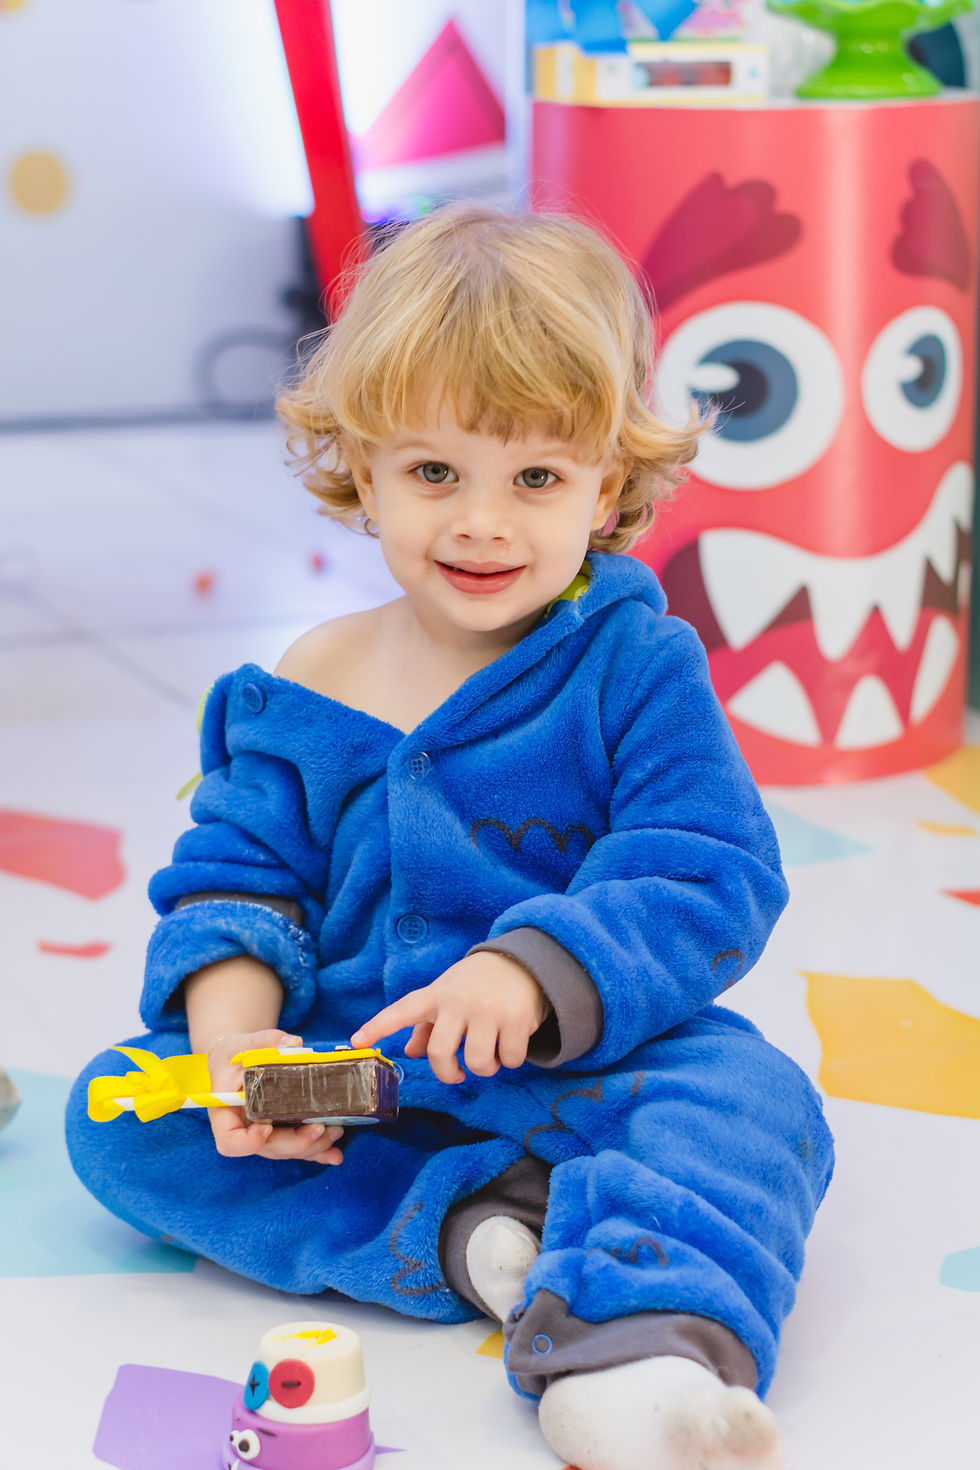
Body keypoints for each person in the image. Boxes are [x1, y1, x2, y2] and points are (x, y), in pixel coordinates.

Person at [67, 205, 833, 1470]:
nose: (481, 523)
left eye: (534, 478)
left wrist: (531, 970)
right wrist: (230, 1042)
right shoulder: (312, 677)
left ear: (609, 484)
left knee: (748, 1103)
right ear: (360, 469)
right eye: (434, 473)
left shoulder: (633, 663)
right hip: (364, 1076)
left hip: (594, 1056)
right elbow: (237, 883)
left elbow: (706, 866)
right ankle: (482, 1238)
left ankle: (634, 1347)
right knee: (116, 1112)